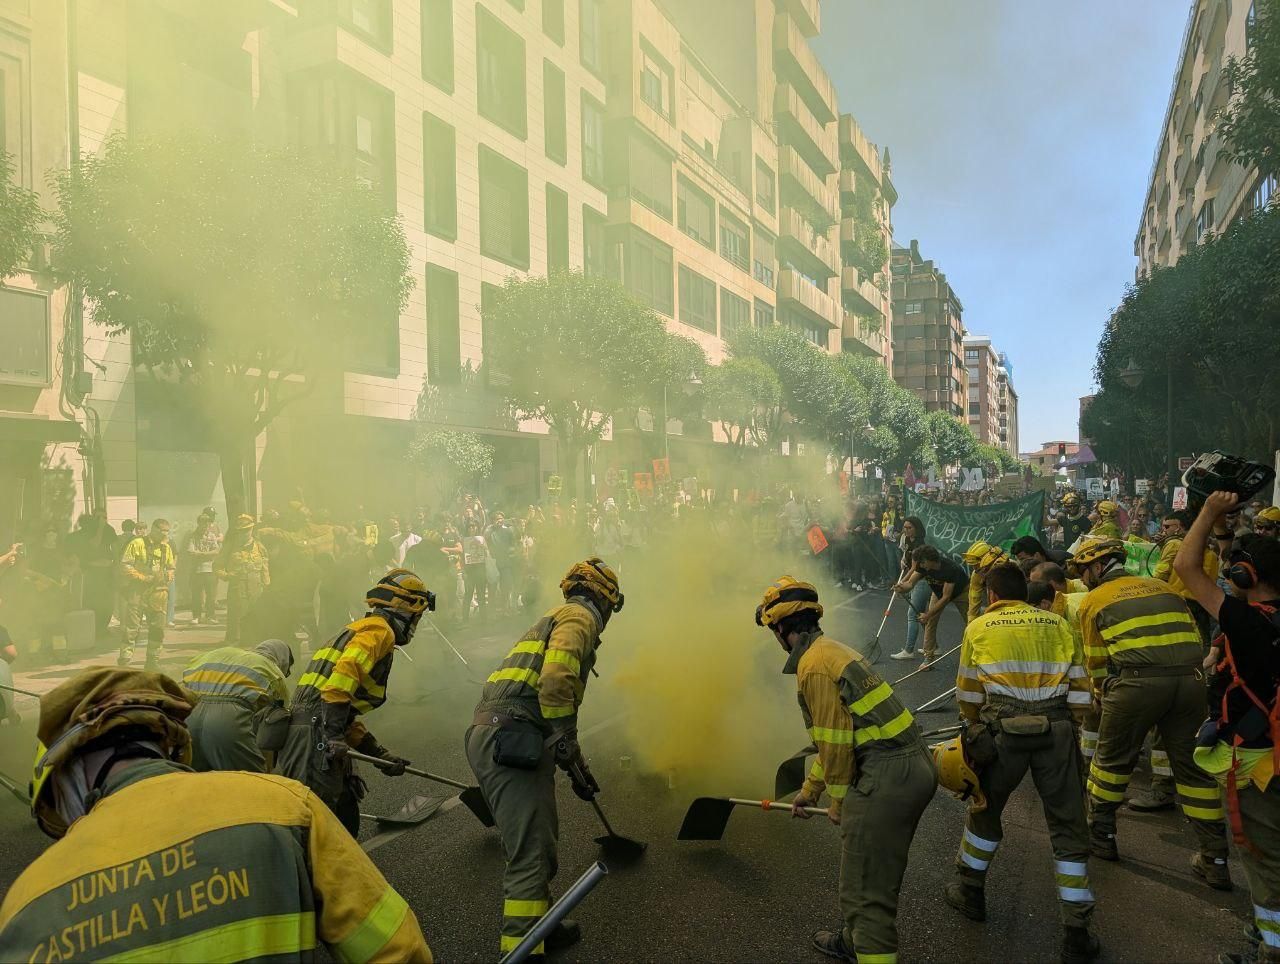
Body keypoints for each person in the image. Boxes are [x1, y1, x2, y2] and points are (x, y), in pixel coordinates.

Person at [0, 667, 432, 961]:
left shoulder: (26, 901)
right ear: (167, 741)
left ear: (66, 776)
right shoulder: (282, 804)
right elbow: (398, 949)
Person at [755, 576, 935, 963]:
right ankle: (856, 940)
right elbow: (838, 738)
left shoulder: (814, 667)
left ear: (782, 628)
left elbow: (836, 744)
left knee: (865, 895)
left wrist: (838, 803)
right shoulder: (834, 651)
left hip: (886, 778)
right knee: (874, 875)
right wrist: (810, 791)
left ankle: (867, 947)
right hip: (911, 766)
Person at [465, 558, 624, 957]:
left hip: (495, 732)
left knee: (533, 841)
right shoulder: (580, 618)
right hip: (513, 736)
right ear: (605, 598)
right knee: (531, 855)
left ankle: (541, 928)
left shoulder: (553, 615)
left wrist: (574, 761)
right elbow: (555, 681)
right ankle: (521, 950)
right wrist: (567, 741)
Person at [945, 564, 1099, 963]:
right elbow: (1081, 686)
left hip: (1002, 733)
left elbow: (968, 692)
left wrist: (974, 726)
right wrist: (1070, 726)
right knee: (1067, 823)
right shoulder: (1057, 624)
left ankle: (970, 892)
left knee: (984, 809)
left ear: (993, 595)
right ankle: (1076, 931)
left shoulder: (979, 626)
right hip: (1056, 729)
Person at [1073, 539, 1230, 886]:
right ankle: (1215, 857)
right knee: (1195, 771)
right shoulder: (1164, 588)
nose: (1083, 579)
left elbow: (1095, 661)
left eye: (1083, 572)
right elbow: (1195, 637)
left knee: (1110, 764)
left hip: (1138, 685)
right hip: (1191, 683)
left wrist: (1100, 694)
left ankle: (1101, 836)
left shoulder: (1094, 600)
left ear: (1097, 567)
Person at [1174, 491, 1280, 964]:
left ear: (1245, 578)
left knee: (1266, 861)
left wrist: (1208, 512)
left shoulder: (1246, 622)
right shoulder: (1260, 616)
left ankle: (1271, 951)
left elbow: (1186, 567)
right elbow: (1229, 572)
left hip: (1260, 761)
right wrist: (1223, 533)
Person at [276, 569, 434, 834]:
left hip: (312, 727)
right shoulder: (379, 631)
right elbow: (340, 684)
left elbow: (338, 709)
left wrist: (379, 754)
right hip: (315, 733)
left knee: (345, 803)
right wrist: (333, 736)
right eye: (417, 617)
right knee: (317, 819)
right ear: (406, 609)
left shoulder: (357, 629)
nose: (416, 624)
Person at [182, 639, 294, 773]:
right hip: (227, 722)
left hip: (189, 716)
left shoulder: (226, 654)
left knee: (194, 779)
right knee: (252, 780)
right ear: (283, 660)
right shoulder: (272, 670)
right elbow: (279, 719)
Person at [1153, 510, 1219, 646]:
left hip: (1181, 600)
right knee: (1202, 639)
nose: (1163, 530)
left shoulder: (1174, 544)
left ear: (1178, 527)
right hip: (1203, 603)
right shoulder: (1207, 550)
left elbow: (1161, 573)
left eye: (1167, 527)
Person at [117, 519, 176, 669]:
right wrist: (142, 577)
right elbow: (125, 565)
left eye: (167, 532)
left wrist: (169, 576)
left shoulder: (166, 547)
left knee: (158, 628)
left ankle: (152, 661)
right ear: (154, 529)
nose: (164, 535)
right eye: (162, 532)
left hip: (158, 593)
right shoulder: (137, 543)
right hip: (138, 591)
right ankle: (125, 661)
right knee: (132, 628)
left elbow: (171, 567)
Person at [214, 514, 271, 644]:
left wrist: (267, 586)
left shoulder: (259, 546)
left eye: (248, 529)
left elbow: (265, 567)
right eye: (242, 530)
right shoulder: (230, 547)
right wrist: (227, 576)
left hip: (256, 587)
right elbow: (217, 566)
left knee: (256, 615)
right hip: (237, 587)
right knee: (237, 617)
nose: (245, 533)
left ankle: (254, 641)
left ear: (252, 529)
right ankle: (236, 643)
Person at [911, 545, 970, 669]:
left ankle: (980, 653)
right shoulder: (922, 566)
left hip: (961, 592)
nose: (920, 565)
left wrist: (927, 614)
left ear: (931, 560)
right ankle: (928, 658)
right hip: (938, 592)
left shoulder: (950, 568)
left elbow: (946, 597)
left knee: (972, 622)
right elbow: (909, 583)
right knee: (930, 622)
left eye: (923, 562)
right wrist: (901, 587)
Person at [889, 517, 932, 661]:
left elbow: (914, 568)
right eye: (905, 528)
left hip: (922, 581)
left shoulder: (920, 544)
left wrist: (902, 582)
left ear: (917, 529)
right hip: (916, 579)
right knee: (920, 614)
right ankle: (933, 645)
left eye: (909, 528)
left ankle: (908, 650)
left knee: (912, 615)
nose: (906, 530)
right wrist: (903, 559)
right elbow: (907, 556)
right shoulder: (907, 539)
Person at [183, 510, 222, 625]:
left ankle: (210, 616)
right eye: (203, 523)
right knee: (196, 595)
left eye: (207, 523)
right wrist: (207, 554)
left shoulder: (212, 536)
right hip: (197, 570)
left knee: (211, 595)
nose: (205, 526)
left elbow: (217, 551)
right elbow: (190, 551)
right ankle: (196, 616)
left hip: (210, 569)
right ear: (199, 523)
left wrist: (201, 554)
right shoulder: (193, 536)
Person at [962, 541, 1009, 622]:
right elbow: (973, 604)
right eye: (973, 565)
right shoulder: (976, 575)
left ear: (988, 559)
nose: (975, 569)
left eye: (976, 564)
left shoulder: (1010, 568)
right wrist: (971, 624)